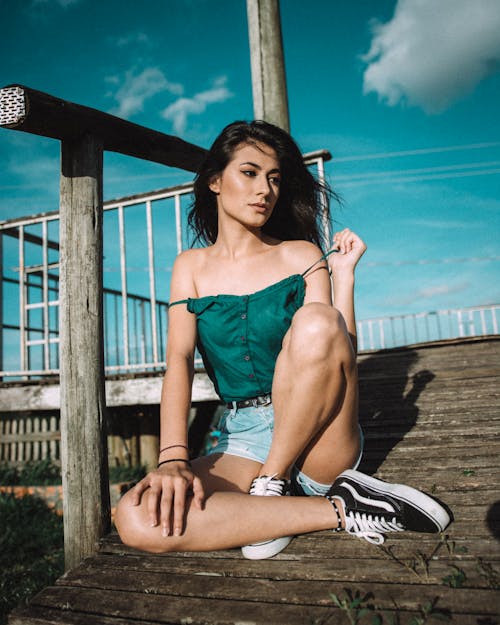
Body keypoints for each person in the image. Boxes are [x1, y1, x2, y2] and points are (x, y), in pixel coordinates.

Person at [115, 120, 450, 558]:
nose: (266, 190)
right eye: (250, 173)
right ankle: (343, 508)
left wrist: (343, 278)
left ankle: (271, 491)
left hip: (318, 431)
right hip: (243, 436)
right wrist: (173, 460)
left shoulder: (301, 254)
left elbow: (333, 343)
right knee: (137, 515)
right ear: (215, 180)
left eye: (274, 178)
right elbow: (177, 361)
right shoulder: (189, 267)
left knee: (315, 320)